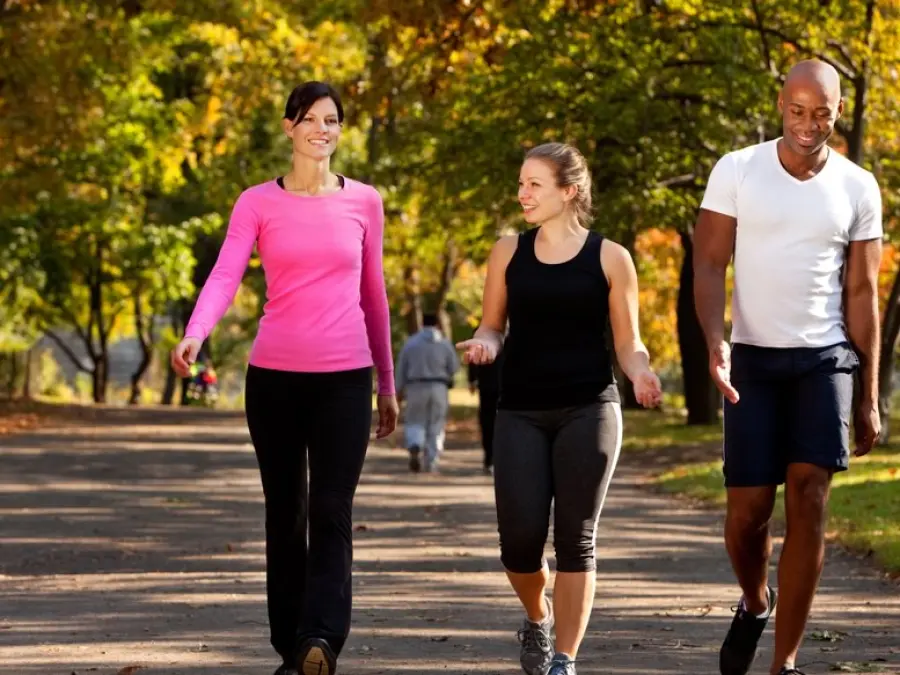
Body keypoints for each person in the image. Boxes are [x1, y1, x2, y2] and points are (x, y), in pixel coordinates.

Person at [170, 81, 399, 675]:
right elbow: (225, 274)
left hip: (346, 378)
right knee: (286, 509)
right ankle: (291, 645)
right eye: (311, 119)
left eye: (332, 120)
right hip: (272, 378)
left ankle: (321, 637)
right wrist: (197, 331)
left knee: (330, 507)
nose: (323, 129)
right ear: (288, 127)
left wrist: (387, 384)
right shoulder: (256, 203)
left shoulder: (365, 202)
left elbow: (374, 298)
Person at [693, 59, 882, 675]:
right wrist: (715, 342)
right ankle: (754, 601)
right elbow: (707, 264)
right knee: (747, 514)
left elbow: (862, 295)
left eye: (822, 113)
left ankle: (786, 664)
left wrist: (869, 392)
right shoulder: (738, 170)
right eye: (797, 111)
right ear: (781, 105)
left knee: (810, 496)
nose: (809, 124)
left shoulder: (859, 186)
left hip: (824, 360)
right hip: (752, 357)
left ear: (835, 113)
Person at [457, 142, 663, 675]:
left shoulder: (611, 257)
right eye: (521, 183)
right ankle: (537, 613)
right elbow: (492, 325)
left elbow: (628, 342)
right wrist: (485, 345)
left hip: (590, 408)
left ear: (568, 192)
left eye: (534, 185)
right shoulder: (507, 252)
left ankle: (565, 661)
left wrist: (639, 371)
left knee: (577, 538)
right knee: (519, 542)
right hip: (520, 409)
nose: (522, 193)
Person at [395, 312, 460, 473]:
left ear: (422, 324)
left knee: (415, 420)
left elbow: (401, 368)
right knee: (436, 424)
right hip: (439, 386)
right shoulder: (445, 344)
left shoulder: (411, 343)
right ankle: (431, 460)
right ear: (438, 324)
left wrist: (398, 390)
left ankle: (415, 443)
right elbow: (454, 367)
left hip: (416, 386)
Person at [467, 347, 502, 474]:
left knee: (487, 421)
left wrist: (472, 379)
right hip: (501, 385)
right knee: (497, 422)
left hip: (487, 384)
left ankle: (490, 457)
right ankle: (494, 456)